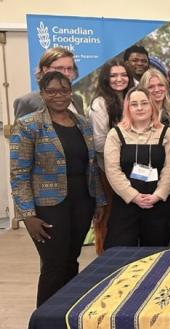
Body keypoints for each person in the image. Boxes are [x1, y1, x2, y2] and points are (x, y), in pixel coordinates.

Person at [10, 71, 106, 306]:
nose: (59, 96)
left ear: (71, 92)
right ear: (42, 94)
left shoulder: (82, 123)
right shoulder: (28, 125)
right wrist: (27, 215)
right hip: (48, 208)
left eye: (64, 90)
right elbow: (19, 173)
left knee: (71, 261)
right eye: (51, 91)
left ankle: (64, 314)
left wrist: (100, 200)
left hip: (82, 202)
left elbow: (91, 166)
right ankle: (44, 320)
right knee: (54, 265)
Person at [103, 87, 170, 248]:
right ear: (127, 108)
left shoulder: (166, 133)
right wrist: (134, 196)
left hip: (157, 204)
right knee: (120, 254)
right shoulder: (116, 134)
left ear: (152, 105)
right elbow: (112, 170)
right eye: (134, 104)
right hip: (126, 203)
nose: (139, 108)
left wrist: (158, 195)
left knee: (155, 255)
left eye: (144, 103)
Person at [88, 59, 134, 254]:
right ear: (105, 79)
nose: (119, 79)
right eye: (113, 75)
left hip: (134, 167)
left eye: (123, 75)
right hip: (108, 170)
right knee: (108, 217)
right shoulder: (99, 103)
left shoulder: (132, 98)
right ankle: (104, 256)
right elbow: (99, 142)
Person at [14, 47, 84, 118]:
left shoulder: (77, 99)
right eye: (59, 68)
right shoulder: (27, 102)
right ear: (45, 69)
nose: (66, 73)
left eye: (69, 68)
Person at [139, 68, 170, 133]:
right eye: (151, 87)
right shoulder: (138, 114)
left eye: (160, 85)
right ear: (143, 90)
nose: (157, 90)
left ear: (166, 87)